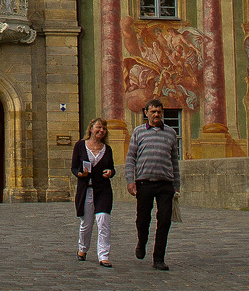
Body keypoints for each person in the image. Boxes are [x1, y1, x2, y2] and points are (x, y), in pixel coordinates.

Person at [124, 99, 180, 270]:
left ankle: (159, 258)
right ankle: (142, 241)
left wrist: (177, 186)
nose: (156, 114)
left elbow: (174, 161)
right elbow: (130, 158)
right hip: (144, 182)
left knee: (164, 221)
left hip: (165, 183)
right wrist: (130, 181)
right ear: (146, 113)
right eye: (153, 111)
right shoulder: (138, 132)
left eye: (159, 111)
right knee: (142, 219)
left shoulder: (170, 133)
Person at [72, 117, 116, 265]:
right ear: (91, 129)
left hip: (103, 190)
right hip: (86, 190)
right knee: (87, 223)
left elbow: (112, 167)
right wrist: (80, 174)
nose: (101, 130)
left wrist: (110, 172)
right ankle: (82, 249)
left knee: (103, 221)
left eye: (104, 128)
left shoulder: (107, 149)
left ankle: (103, 256)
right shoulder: (80, 146)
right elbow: (74, 167)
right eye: (98, 127)